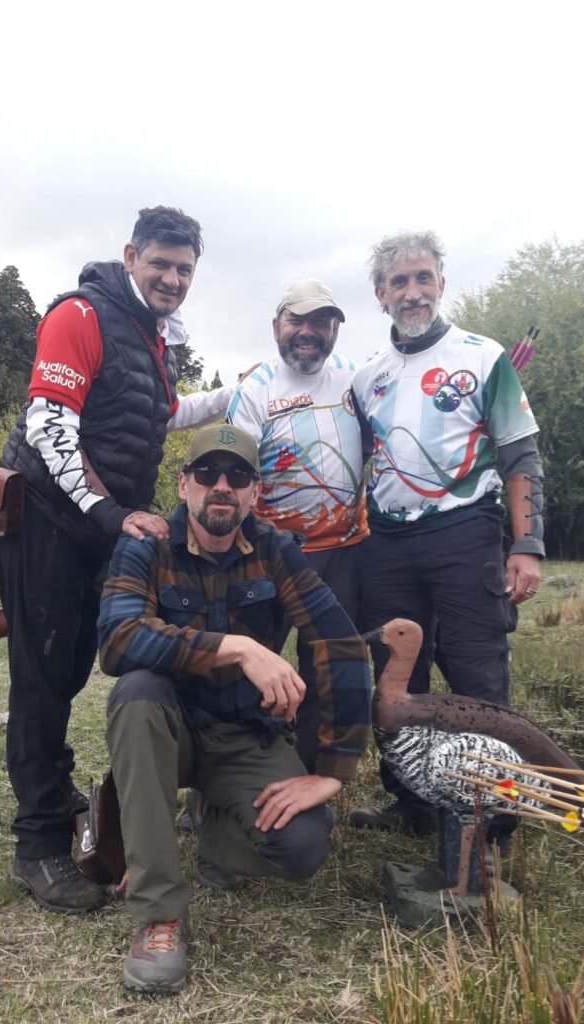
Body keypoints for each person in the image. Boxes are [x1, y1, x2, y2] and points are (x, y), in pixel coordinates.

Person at [0, 206, 233, 914]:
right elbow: (50, 426)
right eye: (160, 263)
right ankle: (37, 846)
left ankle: (55, 790)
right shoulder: (80, 316)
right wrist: (108, 513)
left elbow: (151, 413)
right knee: (42, 678)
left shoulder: (150, 337)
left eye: (184, 269)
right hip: (44, 518)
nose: (172, 279)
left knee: (72, 666)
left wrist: (239, 393)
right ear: (131, 257)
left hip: (92, 527)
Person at [97, 422, 371, 994]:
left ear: (254, 493)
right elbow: (118, 640)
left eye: (238, 476)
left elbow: (338, 643)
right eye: (207, 473)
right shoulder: (145, 545)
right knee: (136, 693)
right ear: (184, 485)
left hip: (245, 735)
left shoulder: (276, 550)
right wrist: (236, 647)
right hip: (169, 730)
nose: (221, 485)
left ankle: (209, 825)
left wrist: (333, 770)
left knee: (301, 847)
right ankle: (159, 917)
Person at [349, 230, 545, 836]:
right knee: (396, 674)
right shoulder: (367, 377)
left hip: (465, 533)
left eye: (423, 278)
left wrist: (527, 545)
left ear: (441, 283)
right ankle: (414, 805)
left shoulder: (484, 356)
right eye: (399, 282)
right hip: (387, 542)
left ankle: (491, 822)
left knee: (475, 673)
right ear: (380, 294)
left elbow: (520, 455)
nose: (412, 292)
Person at [226, 278, 367, 770]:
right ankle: (229, 780)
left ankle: (313, 776)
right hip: (266, 554)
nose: (308, 331)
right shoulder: (254, 389)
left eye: (321, 321)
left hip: (342, 552)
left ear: (335, 330)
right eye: (296, 320)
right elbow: (234, 474)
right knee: (249, 666)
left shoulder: (357, 378)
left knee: (327, 670)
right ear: (276, 326)